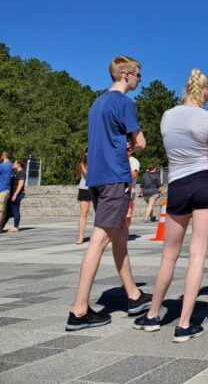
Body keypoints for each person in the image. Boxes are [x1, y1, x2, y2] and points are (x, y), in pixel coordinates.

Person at [133, 68, 208, 342]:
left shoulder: (168, 117)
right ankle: (184, 324)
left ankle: (152, 315)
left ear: (186, 89)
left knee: (168, 255)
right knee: (196, 255)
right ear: (207, 92)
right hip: (203, 185)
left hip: (177, 184)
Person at [66, 56, 150, 332]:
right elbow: (140, 142)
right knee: (99, 239)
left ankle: (134, 295)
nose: (140, 79)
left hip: (97, 177)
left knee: (120, 236)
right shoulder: (123, 102)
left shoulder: (98, 103)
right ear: (126, 74)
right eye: (138, 74)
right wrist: (132, 147)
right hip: (115, 176)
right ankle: (79, 310)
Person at [2, 158, 27, 232]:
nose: (13, 164)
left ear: (19, 164)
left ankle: (16, 227)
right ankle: (1, 227)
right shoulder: (15, 172)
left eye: (15, 163)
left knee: (15, 210)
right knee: (8, 210)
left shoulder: (22, 172)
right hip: (12, 193)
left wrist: (15, 195)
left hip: (17, 194)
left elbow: (20, 185)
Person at [75, 149, 92, 244]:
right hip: (84, 188)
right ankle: (81, 236)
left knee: (99, 212)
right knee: (83, 213)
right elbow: (88, 174)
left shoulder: (98, 161)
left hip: (96, 188)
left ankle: (102, 235)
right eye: (87, 152)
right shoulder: (83, 163)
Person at [125, 147, 140, 229]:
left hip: (129, 191)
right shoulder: (119, 159)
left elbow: (134, 174)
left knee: (128, 213)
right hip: (118, 190)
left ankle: (124, 232)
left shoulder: (133, 161)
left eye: (128, 150)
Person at [0, 151, 13, 233]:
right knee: (3, 210)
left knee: (1, 210)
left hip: (1, 189)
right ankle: (0, 228)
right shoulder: (11, 165)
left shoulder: (2, 166)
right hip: (7, 189)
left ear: (4, 156)